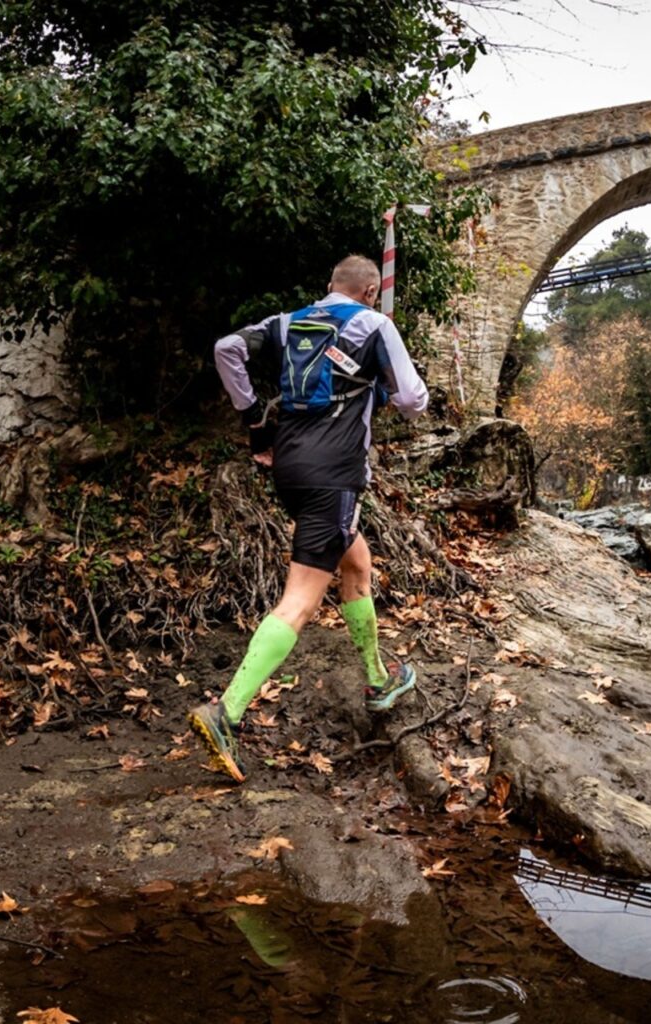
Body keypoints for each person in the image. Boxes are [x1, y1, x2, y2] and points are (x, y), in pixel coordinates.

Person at [188, 254, 429, 782]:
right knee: (299, 599)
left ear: (328, 287)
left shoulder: (286, 323)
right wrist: (388, 387)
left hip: (289, 468)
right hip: (334, 476)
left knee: (356, 563)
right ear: (371, 291)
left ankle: (378, 680)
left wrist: (255, 421)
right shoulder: (375, 324)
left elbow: (226, 349)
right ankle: (225, 711)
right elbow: (412, 399)